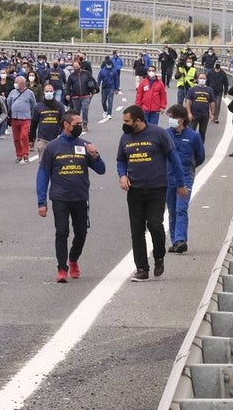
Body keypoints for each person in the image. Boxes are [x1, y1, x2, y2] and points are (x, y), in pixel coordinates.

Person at [117, 105, 187, 283]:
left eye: (127, 121)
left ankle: (159, 257)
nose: (125, 124)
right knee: (137, 230)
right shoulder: (125, 138)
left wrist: (181, 184)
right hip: (135, 190)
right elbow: (121, 160)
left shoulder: (158, 134)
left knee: (155, 224)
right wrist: (122, 175)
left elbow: (174, 159)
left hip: (157, 188)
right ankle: (142, 269)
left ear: (138, 120)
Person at [37, 111, 106, 283]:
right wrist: (41, 202)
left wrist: (95, 155)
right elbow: (43, 174)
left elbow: (101, 170)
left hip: (80, 197)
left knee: (81, 233)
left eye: (81, 124)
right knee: (62, 232)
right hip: (60, 197)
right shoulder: (52, 147)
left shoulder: (84, 145)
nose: (80, 127)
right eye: (77, 124)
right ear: (66, 125)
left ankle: (73, 259)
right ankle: (62, 268)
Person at [165, 105, 206, 254]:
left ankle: (181, 240)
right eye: (170, 117)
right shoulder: (165, 135)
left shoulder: (193, 136)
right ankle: (175, 241)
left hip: (186, 177)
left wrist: (190, 167)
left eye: (173, 117)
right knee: (172, 210)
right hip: (168, 177)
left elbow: (200, 156)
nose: (171, 120)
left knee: (181, 208)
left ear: (182, 119)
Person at [6, 76, 36, 164]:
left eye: (17, 82)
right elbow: (8, 103)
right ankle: (19, 155)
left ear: (22, 83)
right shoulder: (12, 92)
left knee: (24, 136)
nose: (15, 84)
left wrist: (33, 116)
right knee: (16, 138)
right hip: (14, 118)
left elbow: (33, 105)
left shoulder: (30, 93)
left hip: (25, 118)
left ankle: (25, 154)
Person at [29, 84, 65, 156]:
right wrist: (31, 139)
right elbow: (34, 124)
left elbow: (63, 122)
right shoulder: (38, 107)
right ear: (44, 92)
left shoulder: (60, 106)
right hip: (43, 139)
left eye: (50, 91)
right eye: (47, 91)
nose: (49, 93)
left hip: (57, 138)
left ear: (53, 92)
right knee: (43, 160)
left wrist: (62, 134)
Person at [184, 76, 215, 141]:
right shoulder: (192, 89)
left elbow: (212, 102)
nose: (202, 80)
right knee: (191, 132)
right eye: (201, 78)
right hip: (194, 114)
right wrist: (189, 113)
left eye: (204, 78)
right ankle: (191, 146)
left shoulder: (209, 90)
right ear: (197, 79)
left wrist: (212, 113)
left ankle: (200, 146)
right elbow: (188, 102)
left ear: (206, 80)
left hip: (204, 115)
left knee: (202, 133)